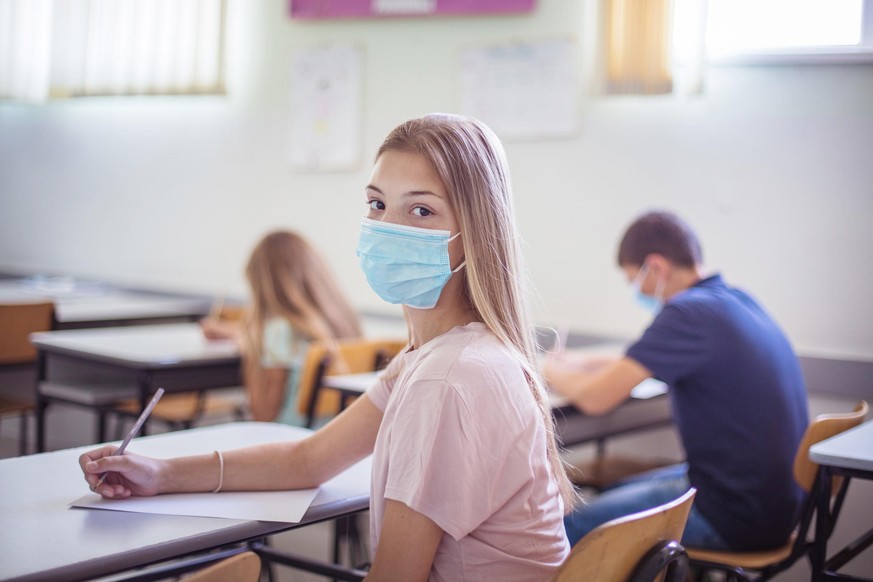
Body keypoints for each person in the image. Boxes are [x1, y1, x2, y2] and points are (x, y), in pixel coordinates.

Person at [80, 114, 574, 580]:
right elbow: (309, 461)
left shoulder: (450, 377)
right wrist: (160, 473)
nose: (388, 227)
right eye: (377, 204)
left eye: (421, 210)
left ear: (475, 233)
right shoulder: (438, 357)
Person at [544, 210, 809, 552]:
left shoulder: (685, 314)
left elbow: (597, 399)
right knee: (611, 492)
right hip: (775, 505)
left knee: (566, 525)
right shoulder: (733, 301)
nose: (637, 290)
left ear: (655, 267)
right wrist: (580, 361)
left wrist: (549, 372)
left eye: (633, 279)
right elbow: (638, 360)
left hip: (733, 515)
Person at [200, 230, 362, 426]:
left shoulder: (277, 331)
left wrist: (252, 351)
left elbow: (263, 416)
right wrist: (241, 334)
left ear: (262, 284)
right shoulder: (340, 320)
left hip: (289, 441)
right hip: (332, 437)